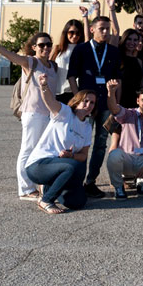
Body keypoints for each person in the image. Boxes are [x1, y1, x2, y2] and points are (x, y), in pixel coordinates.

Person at [0, 27, 60, 201]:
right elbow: (8, 55)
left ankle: (39, 185)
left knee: (43, 150)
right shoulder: (30, 62)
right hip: (32, 113)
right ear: (34, 47)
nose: (46, 48)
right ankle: (25, 189)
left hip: (48, 114)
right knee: (28, 149)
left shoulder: (53, 66)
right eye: (42, 45)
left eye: (49, 45)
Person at [67, 15, 121, 198]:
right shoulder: (81, 49)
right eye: (101, 28)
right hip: (86, 104)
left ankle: (91, 181)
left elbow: (118, 80)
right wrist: (77, 99)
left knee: (100, 144)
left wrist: (116, 105)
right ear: (92, 29)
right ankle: (76, 181)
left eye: (108, 28)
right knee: (80, 142)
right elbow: (72, 76)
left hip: (106, 104)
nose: (105, 32)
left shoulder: (113, 51)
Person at [24, 75, 95, 214]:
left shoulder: (86, 127)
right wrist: (44, 86)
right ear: (77, 101)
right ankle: (46, 200)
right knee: (71, 166)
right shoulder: (64, 113)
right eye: (85, 101)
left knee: (78, 202)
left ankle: (49, 187)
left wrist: (72, 155)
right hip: (38, 165)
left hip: (62, 166)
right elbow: (50, 101)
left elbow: (83, 156)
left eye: (92, 103)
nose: (88, 105)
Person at [104, 81, 143, 199]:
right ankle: (118, 187)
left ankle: (141, 183)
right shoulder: (128, 113)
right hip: (127, 157)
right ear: (137, 101)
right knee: (114, 155)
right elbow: (114, 109)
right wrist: (111, 92)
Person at [50, 14, 88, 103]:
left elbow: (88, 38)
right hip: (58, 92)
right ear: (66, 32)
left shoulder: (82, 49)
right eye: (71, 32)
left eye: (78, 33)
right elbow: (48, 67)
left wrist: (85, 17)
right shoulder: (57, 49)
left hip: (76, 92)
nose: (74, 36)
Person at [117, 28, 143, 110]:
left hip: (135, 101)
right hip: (120, 100)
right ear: (124, 39)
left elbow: (141, 82)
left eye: (135, 40)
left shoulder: (139, 61)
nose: (132, 42)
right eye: (129, 39)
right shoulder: (118, 58)